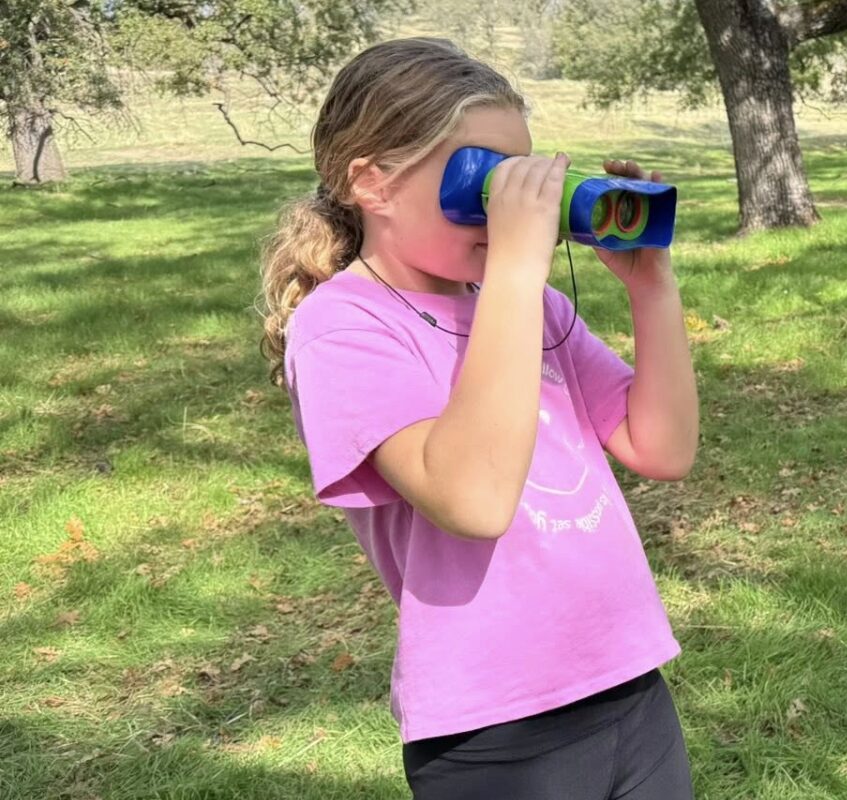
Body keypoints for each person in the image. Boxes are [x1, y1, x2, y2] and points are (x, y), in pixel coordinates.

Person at [258, 38, 699, 799]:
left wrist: (650, 288)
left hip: (628, 681)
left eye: (520, 177)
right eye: (482, 182)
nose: (507, 207)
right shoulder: (343, 327)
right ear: (373, 183)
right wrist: (519, 270)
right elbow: (474, 499)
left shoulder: (534, 306)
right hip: (498, 730)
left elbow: (662, 447)